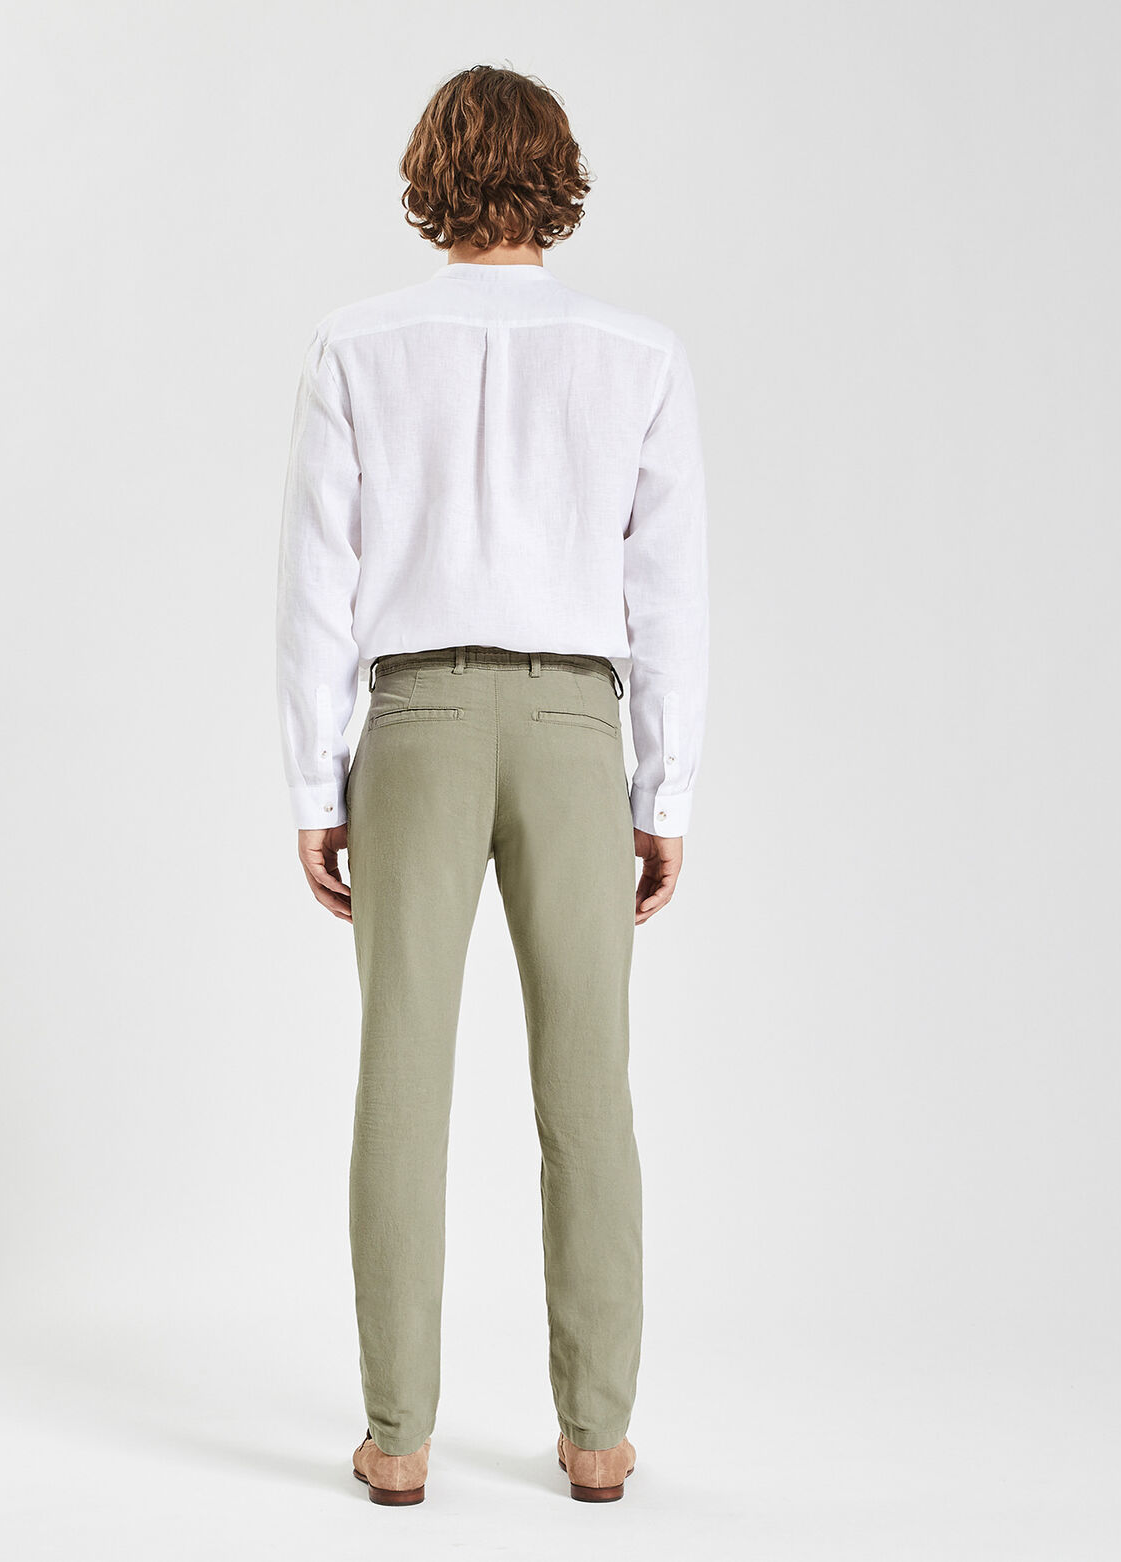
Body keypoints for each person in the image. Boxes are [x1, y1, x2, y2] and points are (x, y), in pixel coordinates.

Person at [274, 64, 709, 1506]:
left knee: (399, 1079)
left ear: (430, 173)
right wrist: (665, 793)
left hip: (414, 724)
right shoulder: (637, 354)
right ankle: (597, 1435)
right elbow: (669, 593)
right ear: (556, 174)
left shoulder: (356, 344)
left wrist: (315, 782)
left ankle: (398, 1436)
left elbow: (317, 585)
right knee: (589, 1088)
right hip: (580, 729)